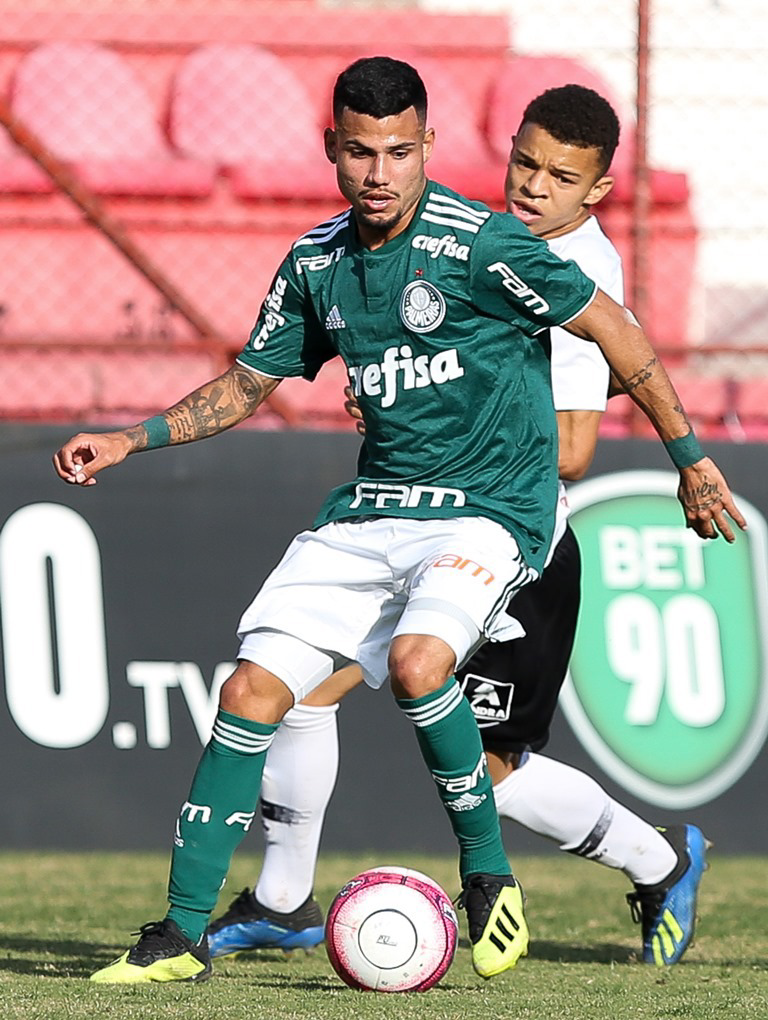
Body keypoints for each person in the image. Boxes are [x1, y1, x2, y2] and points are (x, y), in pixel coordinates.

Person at [53, 59, 744, 985]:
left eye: (399, 152)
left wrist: (690, 459)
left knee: (465, 728)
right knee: (264, 692)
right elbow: (250, 381)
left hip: (503, 523)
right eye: (361, 153)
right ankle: (229, 919)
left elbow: (580, 428)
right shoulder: (319, 260)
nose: (379, 173)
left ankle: (560, 871)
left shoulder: (512, 251)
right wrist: (132, 438)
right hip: (378, 514)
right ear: (332, 150)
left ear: (429, 148)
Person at [205, 85, 710, 970]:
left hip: (511, 545)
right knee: (298, 689)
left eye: (562, 177)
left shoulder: (577, 267)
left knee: (491, 770)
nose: (534, 186)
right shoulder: (476, 238)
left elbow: (573, 449)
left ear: (597, 190)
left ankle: (659, 862)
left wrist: (441, 412)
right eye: (525, 163)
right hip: (424, 526)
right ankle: (283, 901)